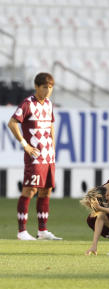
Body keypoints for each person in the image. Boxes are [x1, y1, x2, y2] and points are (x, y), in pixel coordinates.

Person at [7, 72, 62, 241]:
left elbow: (50, 125)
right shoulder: (28, 103)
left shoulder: (48, 104)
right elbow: (12, 122)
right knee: (30, 190)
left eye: (50, 87)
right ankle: (22, 231)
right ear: (36, 87)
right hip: (35, 155)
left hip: (48, 155)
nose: (47, 91)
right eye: (44, 87)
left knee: (46, 191)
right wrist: (25, 145)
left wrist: (53, 146)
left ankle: (42, 231)